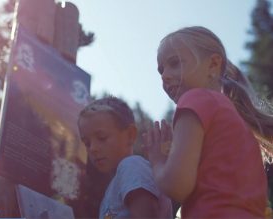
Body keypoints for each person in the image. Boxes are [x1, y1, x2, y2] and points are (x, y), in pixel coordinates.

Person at [143, 26, 273, 218]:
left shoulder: (194, 99)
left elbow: (177, 186)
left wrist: (158, 161)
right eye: (161, 70)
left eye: (174, 63)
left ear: (213, 65)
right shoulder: (235, 122)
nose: (164, 75)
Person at [77, 96, 172, 219]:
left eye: (102, 138)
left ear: (130, 135)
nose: (93, 148)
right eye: (87, 143)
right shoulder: (115, 184)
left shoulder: (131, 166)